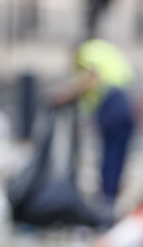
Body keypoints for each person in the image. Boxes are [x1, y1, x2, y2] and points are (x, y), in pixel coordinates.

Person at [52, 38, 135, 220]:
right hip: (120, 104)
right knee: (114, 158)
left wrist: (69, 93)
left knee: (111, 160)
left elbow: (90, 78)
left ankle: (107, 205)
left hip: (114, 104)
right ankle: (108, 201)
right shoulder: (101, 50)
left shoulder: (88, 53)